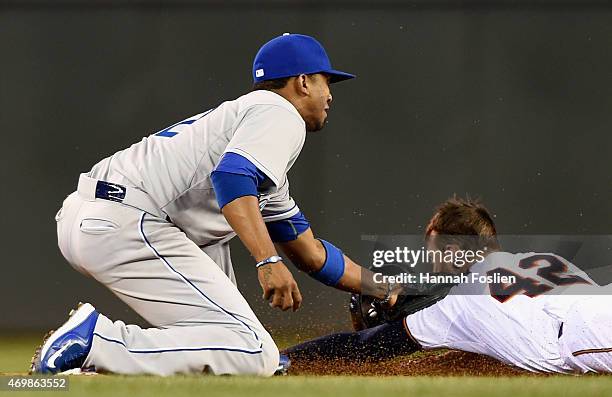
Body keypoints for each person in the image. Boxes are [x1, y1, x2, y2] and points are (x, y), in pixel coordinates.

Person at [31, 33, 397, 377]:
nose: (329, 95)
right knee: (252, 350)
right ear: (302, 81)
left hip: (100, 214)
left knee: (240, 346)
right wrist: (267, 261)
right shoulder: (278, 112)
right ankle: (96, 341)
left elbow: (311, 254)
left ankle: (105, 362)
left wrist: (377, 285)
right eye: (325, 81)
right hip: (129, 219)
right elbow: (231, 178)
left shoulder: (252, 132)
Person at [285, 197, 612, 374]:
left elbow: (364, 347)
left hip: (586, 332)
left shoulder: (459, 302)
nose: (432, 264)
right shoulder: (538, 258)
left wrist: (282, 360)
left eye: (434, 252)